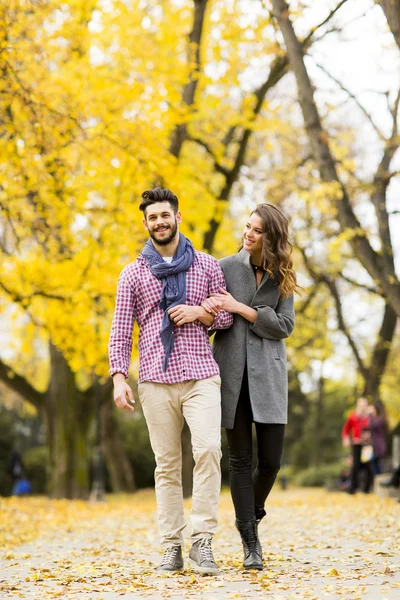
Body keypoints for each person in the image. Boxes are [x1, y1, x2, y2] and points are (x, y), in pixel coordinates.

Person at [108, 187, 233, 575]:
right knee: (167, 465)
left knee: (209, 449)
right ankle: (170, 545)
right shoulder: (133, 273)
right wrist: (118, 377)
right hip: (154, 380)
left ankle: (202, 541)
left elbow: (226, 317)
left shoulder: (208, 266)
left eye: (165, 215)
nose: (159, 222)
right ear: (145, 223)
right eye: (152, 217)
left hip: (200, 374)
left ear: (178, 217)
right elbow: (120, 329)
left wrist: (200, 312)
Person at [202, 203, 299, 570]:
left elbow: (285, 326)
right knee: (240, 461)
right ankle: (250, 542)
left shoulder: (283, 275)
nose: (248, 234)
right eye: (247, 227)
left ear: (270, 237)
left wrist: (242, 308)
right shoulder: (224, 267)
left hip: (270, 376)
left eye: (257, 230)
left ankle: (250, 512)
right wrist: (214, 310)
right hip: (230, 373)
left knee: (271, 462)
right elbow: (213, 317)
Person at [342, 397, 374, 494]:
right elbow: (346, 429)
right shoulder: (353, 416)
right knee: (355, 466)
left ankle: (367, 489)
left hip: (367, 446)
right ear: (358, 406)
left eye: (364, 405)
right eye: (361, 406)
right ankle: (353, 489)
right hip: (357, 444)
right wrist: (346, 438)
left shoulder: (370, 417)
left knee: (368, 466)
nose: (362, 408)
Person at [369, 400, 389, 475]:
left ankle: (379, 478)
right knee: (374, 462)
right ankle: (378, 478)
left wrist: (370, 415)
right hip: (376, 445)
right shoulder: (378, 418)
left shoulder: (379, 419)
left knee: (376, 463)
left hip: (379, 445)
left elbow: (372, 424)